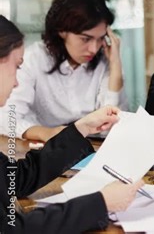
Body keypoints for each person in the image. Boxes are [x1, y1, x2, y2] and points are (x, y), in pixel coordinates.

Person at [0, 15, 143, 233]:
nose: (17, 81)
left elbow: (16, 179)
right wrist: (101, 204)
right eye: (17, 66)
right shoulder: (39, 58)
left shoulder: (100, 63)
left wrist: (81, 128)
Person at [0, 0, 127, 142]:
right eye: (85, 39)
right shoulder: (33, 59)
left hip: (92, 149)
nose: (94, 48)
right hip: (44, 149)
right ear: (61, 31)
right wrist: (46, 133)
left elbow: (114, 124)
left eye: (100, 39)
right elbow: (7, 118)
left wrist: (116, 66)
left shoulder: (107, 59)